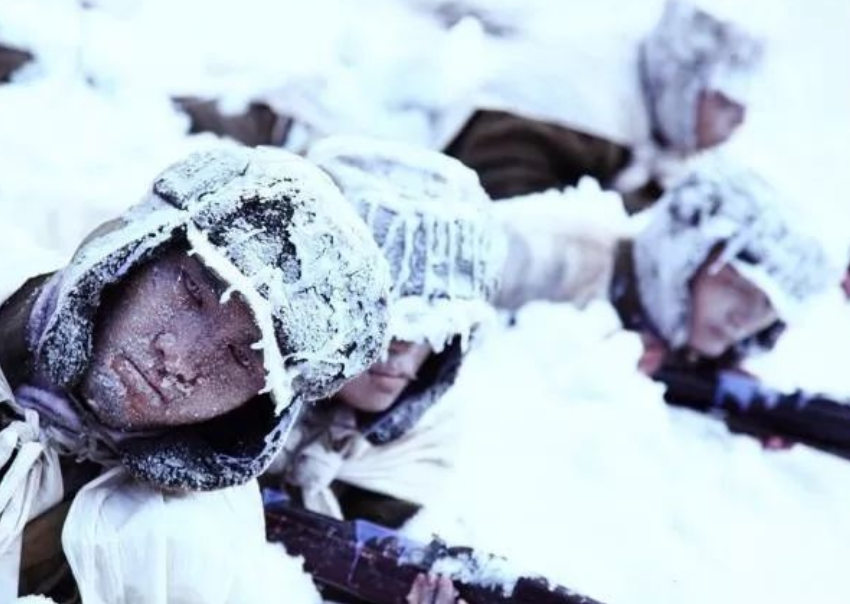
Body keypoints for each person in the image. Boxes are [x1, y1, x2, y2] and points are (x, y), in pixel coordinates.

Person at [0, 146, 391, 602]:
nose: (180, 361)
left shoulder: (194, 553)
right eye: (191, 295)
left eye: (241, 358)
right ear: (135, 253)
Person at [263, 136, 503, 538]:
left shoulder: (423, 438)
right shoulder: (221, 380)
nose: (403, 343)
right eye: (383, 320)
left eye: (431, 324)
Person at [494, 158, 834, 376]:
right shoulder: (548, 254)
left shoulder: (696, 353)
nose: (743, 319)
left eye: (767, 306)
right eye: (737, 287)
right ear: (688, 253)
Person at [444, 0, 765, 213]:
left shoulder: (654, 126)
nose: (738, 122)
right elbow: (500, 208)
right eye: (725, 105)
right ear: (682, 84)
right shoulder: (586, 107)